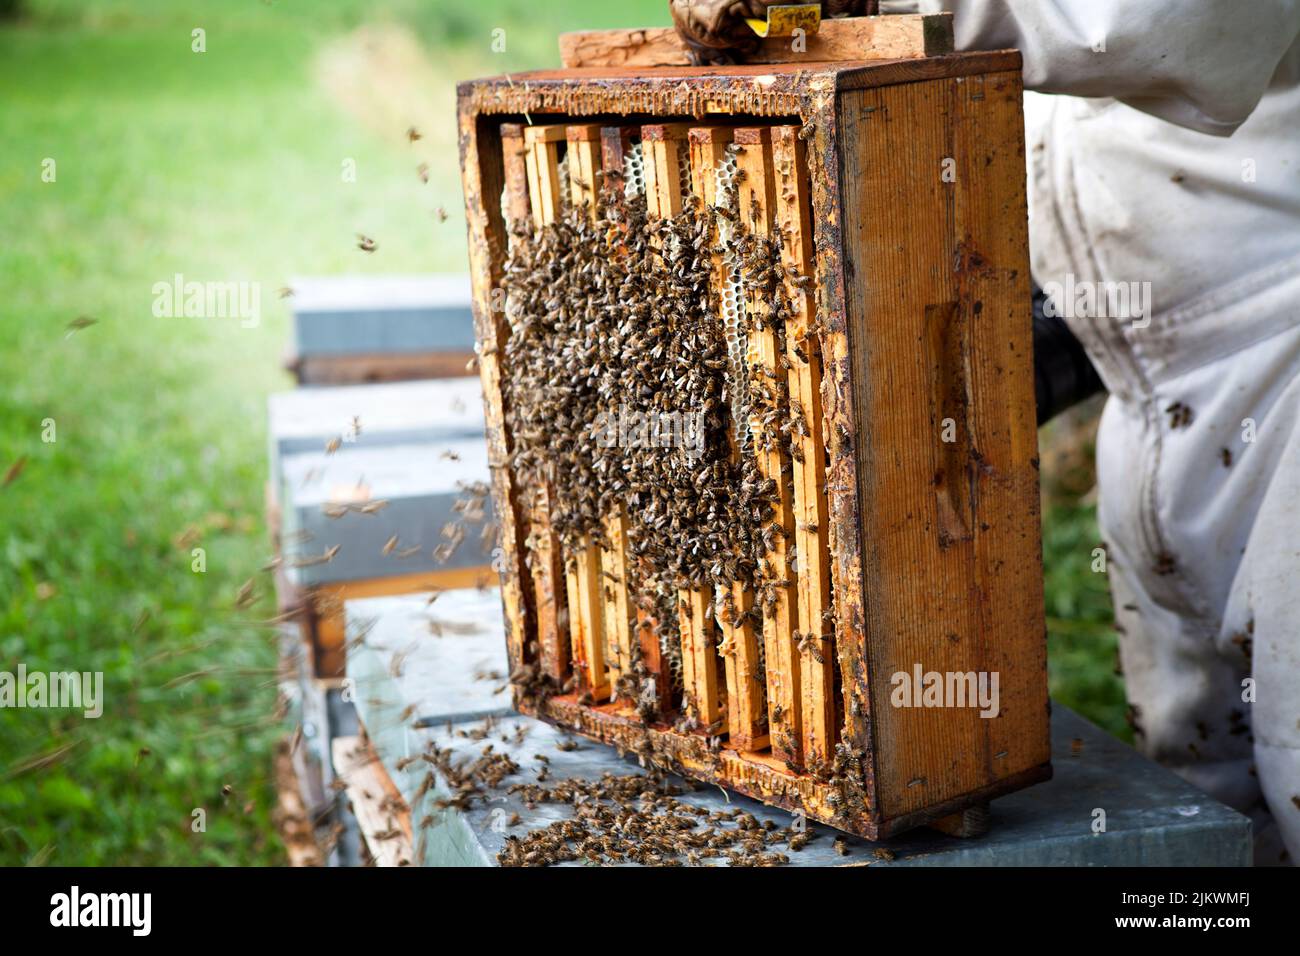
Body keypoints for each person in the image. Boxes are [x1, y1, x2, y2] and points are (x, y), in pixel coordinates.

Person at [674, 0, 1300, 865]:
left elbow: (1152, 19)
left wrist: (854, 5)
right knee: (1200, 816)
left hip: (1283, 375)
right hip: (1144, 387)